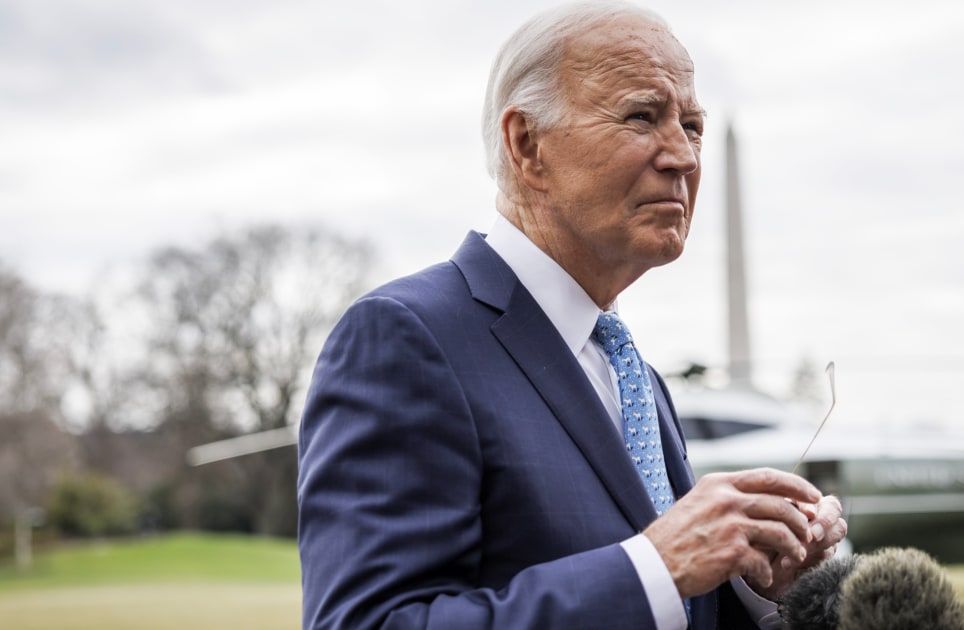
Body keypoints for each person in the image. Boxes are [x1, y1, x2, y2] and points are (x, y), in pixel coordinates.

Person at [296, 2, 846, 628]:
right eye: (642, 116)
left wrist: (757, 587)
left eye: (692, 125)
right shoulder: (404, 338)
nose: (685, 157)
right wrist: (657, 567)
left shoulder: (635, 376)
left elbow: (668, 602)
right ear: (527, 145)